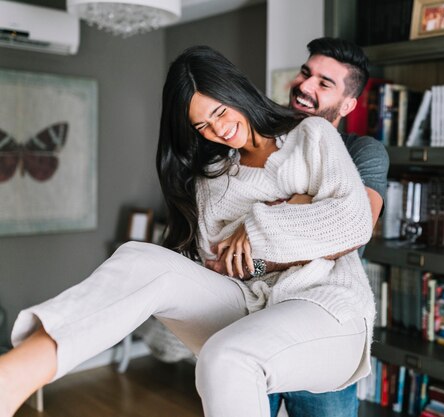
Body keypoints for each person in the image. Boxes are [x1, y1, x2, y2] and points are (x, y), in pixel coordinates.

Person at [0, 45, 376, 417]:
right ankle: (11, 379)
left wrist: (257, 226)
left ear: (236, 92)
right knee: (138, 258)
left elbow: (353, 223)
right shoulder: (210, 182)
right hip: (248, 305)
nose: (219, 129)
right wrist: (302, 212)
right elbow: (227, 266)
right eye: (203, 125)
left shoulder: (312, 136)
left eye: (219, 111)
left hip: (327, 305)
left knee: (225, 356)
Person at [263, 37, 389, 417]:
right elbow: (240, 248)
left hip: (325, 328)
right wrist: (312, 209)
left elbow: (350, 231)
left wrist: (273, 216)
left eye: (324, 83)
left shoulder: (363, 152)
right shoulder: (265, 142)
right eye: (306, 73)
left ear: (348, 104)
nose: (305, 86)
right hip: (253, 318)